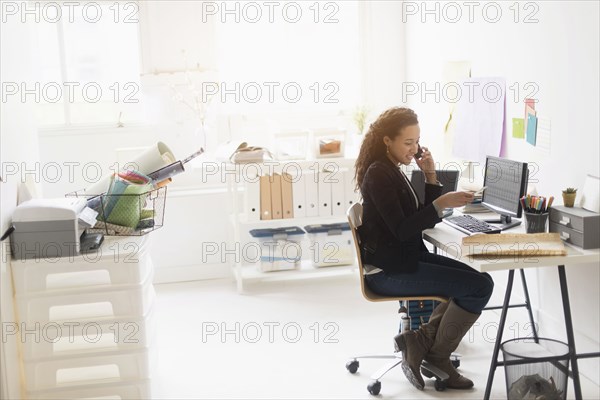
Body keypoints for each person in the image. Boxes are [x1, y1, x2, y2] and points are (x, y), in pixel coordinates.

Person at [354, 107, 494, 391]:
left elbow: (416, 218)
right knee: (478, 287)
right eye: (408, 143)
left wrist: (430, 176)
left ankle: (419, 342)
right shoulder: (378, 174)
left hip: (403, 259)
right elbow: (404, 228)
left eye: (417, 141)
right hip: (388, 272)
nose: (414, 148)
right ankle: (436, 355)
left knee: (482, 282)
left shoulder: (391, 169)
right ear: (386, 141)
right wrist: (441, 203)